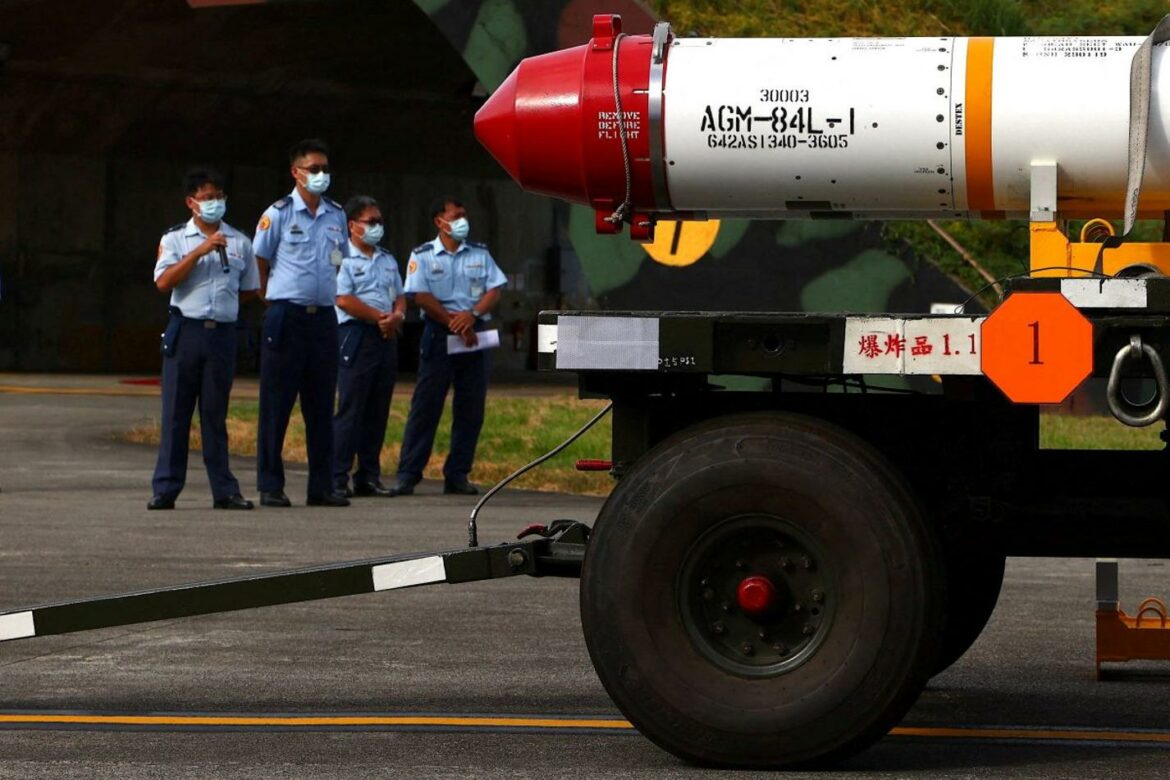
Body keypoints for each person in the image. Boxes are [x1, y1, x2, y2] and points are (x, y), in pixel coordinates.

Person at [148, 169, 258, 511]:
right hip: (187, 331)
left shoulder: (239, 241)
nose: (215, 203)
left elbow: (251, 288)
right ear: (191, 202)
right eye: (207, 198)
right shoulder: (176, 239)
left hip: (222, 333)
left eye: (218, 196)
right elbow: (164, 282)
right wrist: (199, 253)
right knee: (177, 415)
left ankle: (224, 490)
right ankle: (166, 488)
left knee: (215, 413)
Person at [252, 138, 350, 508]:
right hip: (286, 316)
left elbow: (339, 260)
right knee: (277, 405)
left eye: (325, 169)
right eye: (314, 169)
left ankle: (321, 487)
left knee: (321, 405)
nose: (321, 175)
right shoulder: (277, 213)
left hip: (324, 317)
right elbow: (259, 262)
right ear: (296, 173)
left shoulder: (336, 214)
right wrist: (273, 297)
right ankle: (270, 485)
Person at [391, 197, 506, 496]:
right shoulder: (424, 255)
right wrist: (454, 322)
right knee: (426, 406)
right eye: (456, 216)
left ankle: (457, 474)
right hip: (439, 333)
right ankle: (408, 473)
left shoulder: (480, 253)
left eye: (464, 216)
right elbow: (419, 295)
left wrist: (472, 316)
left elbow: (495, 289)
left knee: (470, 408)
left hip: (474, 332)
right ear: (439, 222)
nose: (462, 221)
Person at [332, 196, 406, 497]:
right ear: (353, 226)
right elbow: (343, 299)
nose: (378, 227)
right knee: (351, 408)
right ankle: (337, 477)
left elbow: (400, 296)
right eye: (371, 222)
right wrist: (380, 317)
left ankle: (369, 476)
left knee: (378, 409)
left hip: (385, 336)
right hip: (356, 334)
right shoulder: (341, 256)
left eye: (380, 222)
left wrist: (397, 315)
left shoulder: (387, 258)